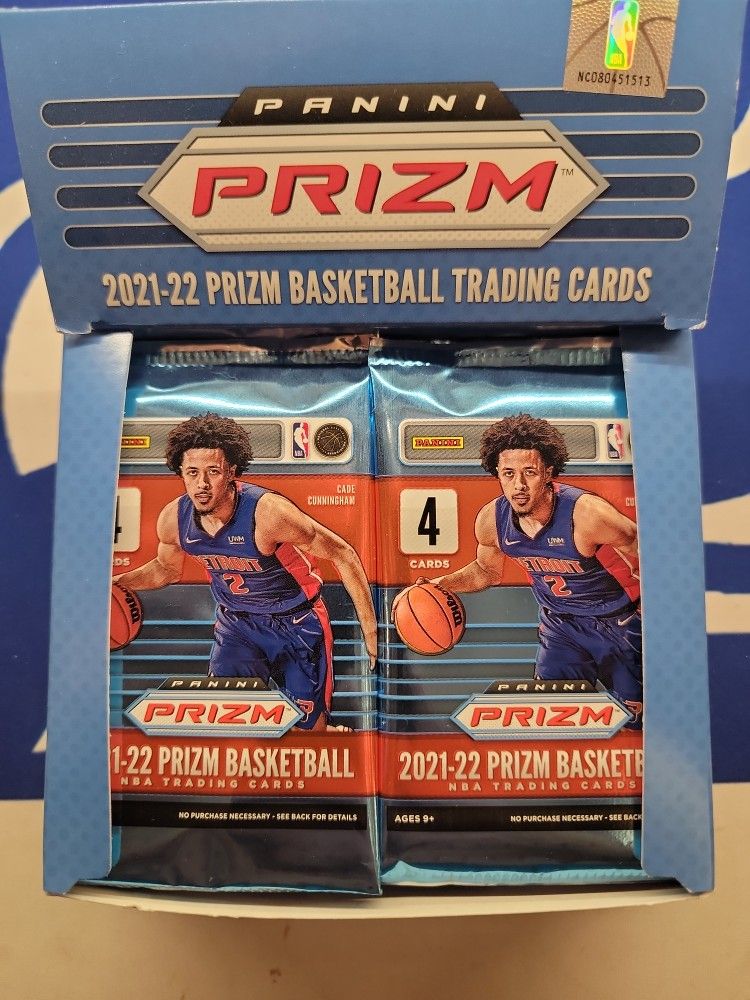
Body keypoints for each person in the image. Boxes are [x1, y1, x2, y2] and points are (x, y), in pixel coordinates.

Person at [115, 413, 377, 731]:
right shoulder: (174, 518)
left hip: (297, 624)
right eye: (192, 472)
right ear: (181, 472)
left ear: (231, 472)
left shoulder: (269, 513)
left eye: (213, 472)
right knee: (228, 725)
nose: (202, 484)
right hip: (237, 625)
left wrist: (371, 631)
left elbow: (343, 554)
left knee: (308, 736)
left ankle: (328, 733)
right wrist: (114, 583)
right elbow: (165, 570)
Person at [423, 413, 642, 724]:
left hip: (618, 623)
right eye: (508, 474)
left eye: (529, 472)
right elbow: (486, 571)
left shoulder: (587, 514)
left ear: (548, 472)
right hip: (560, 627)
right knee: (554, 719)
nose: (519, 485)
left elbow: (650, 555)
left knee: (637, 723)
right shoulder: (492, 520)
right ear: (497, 474)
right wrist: (438, 584)